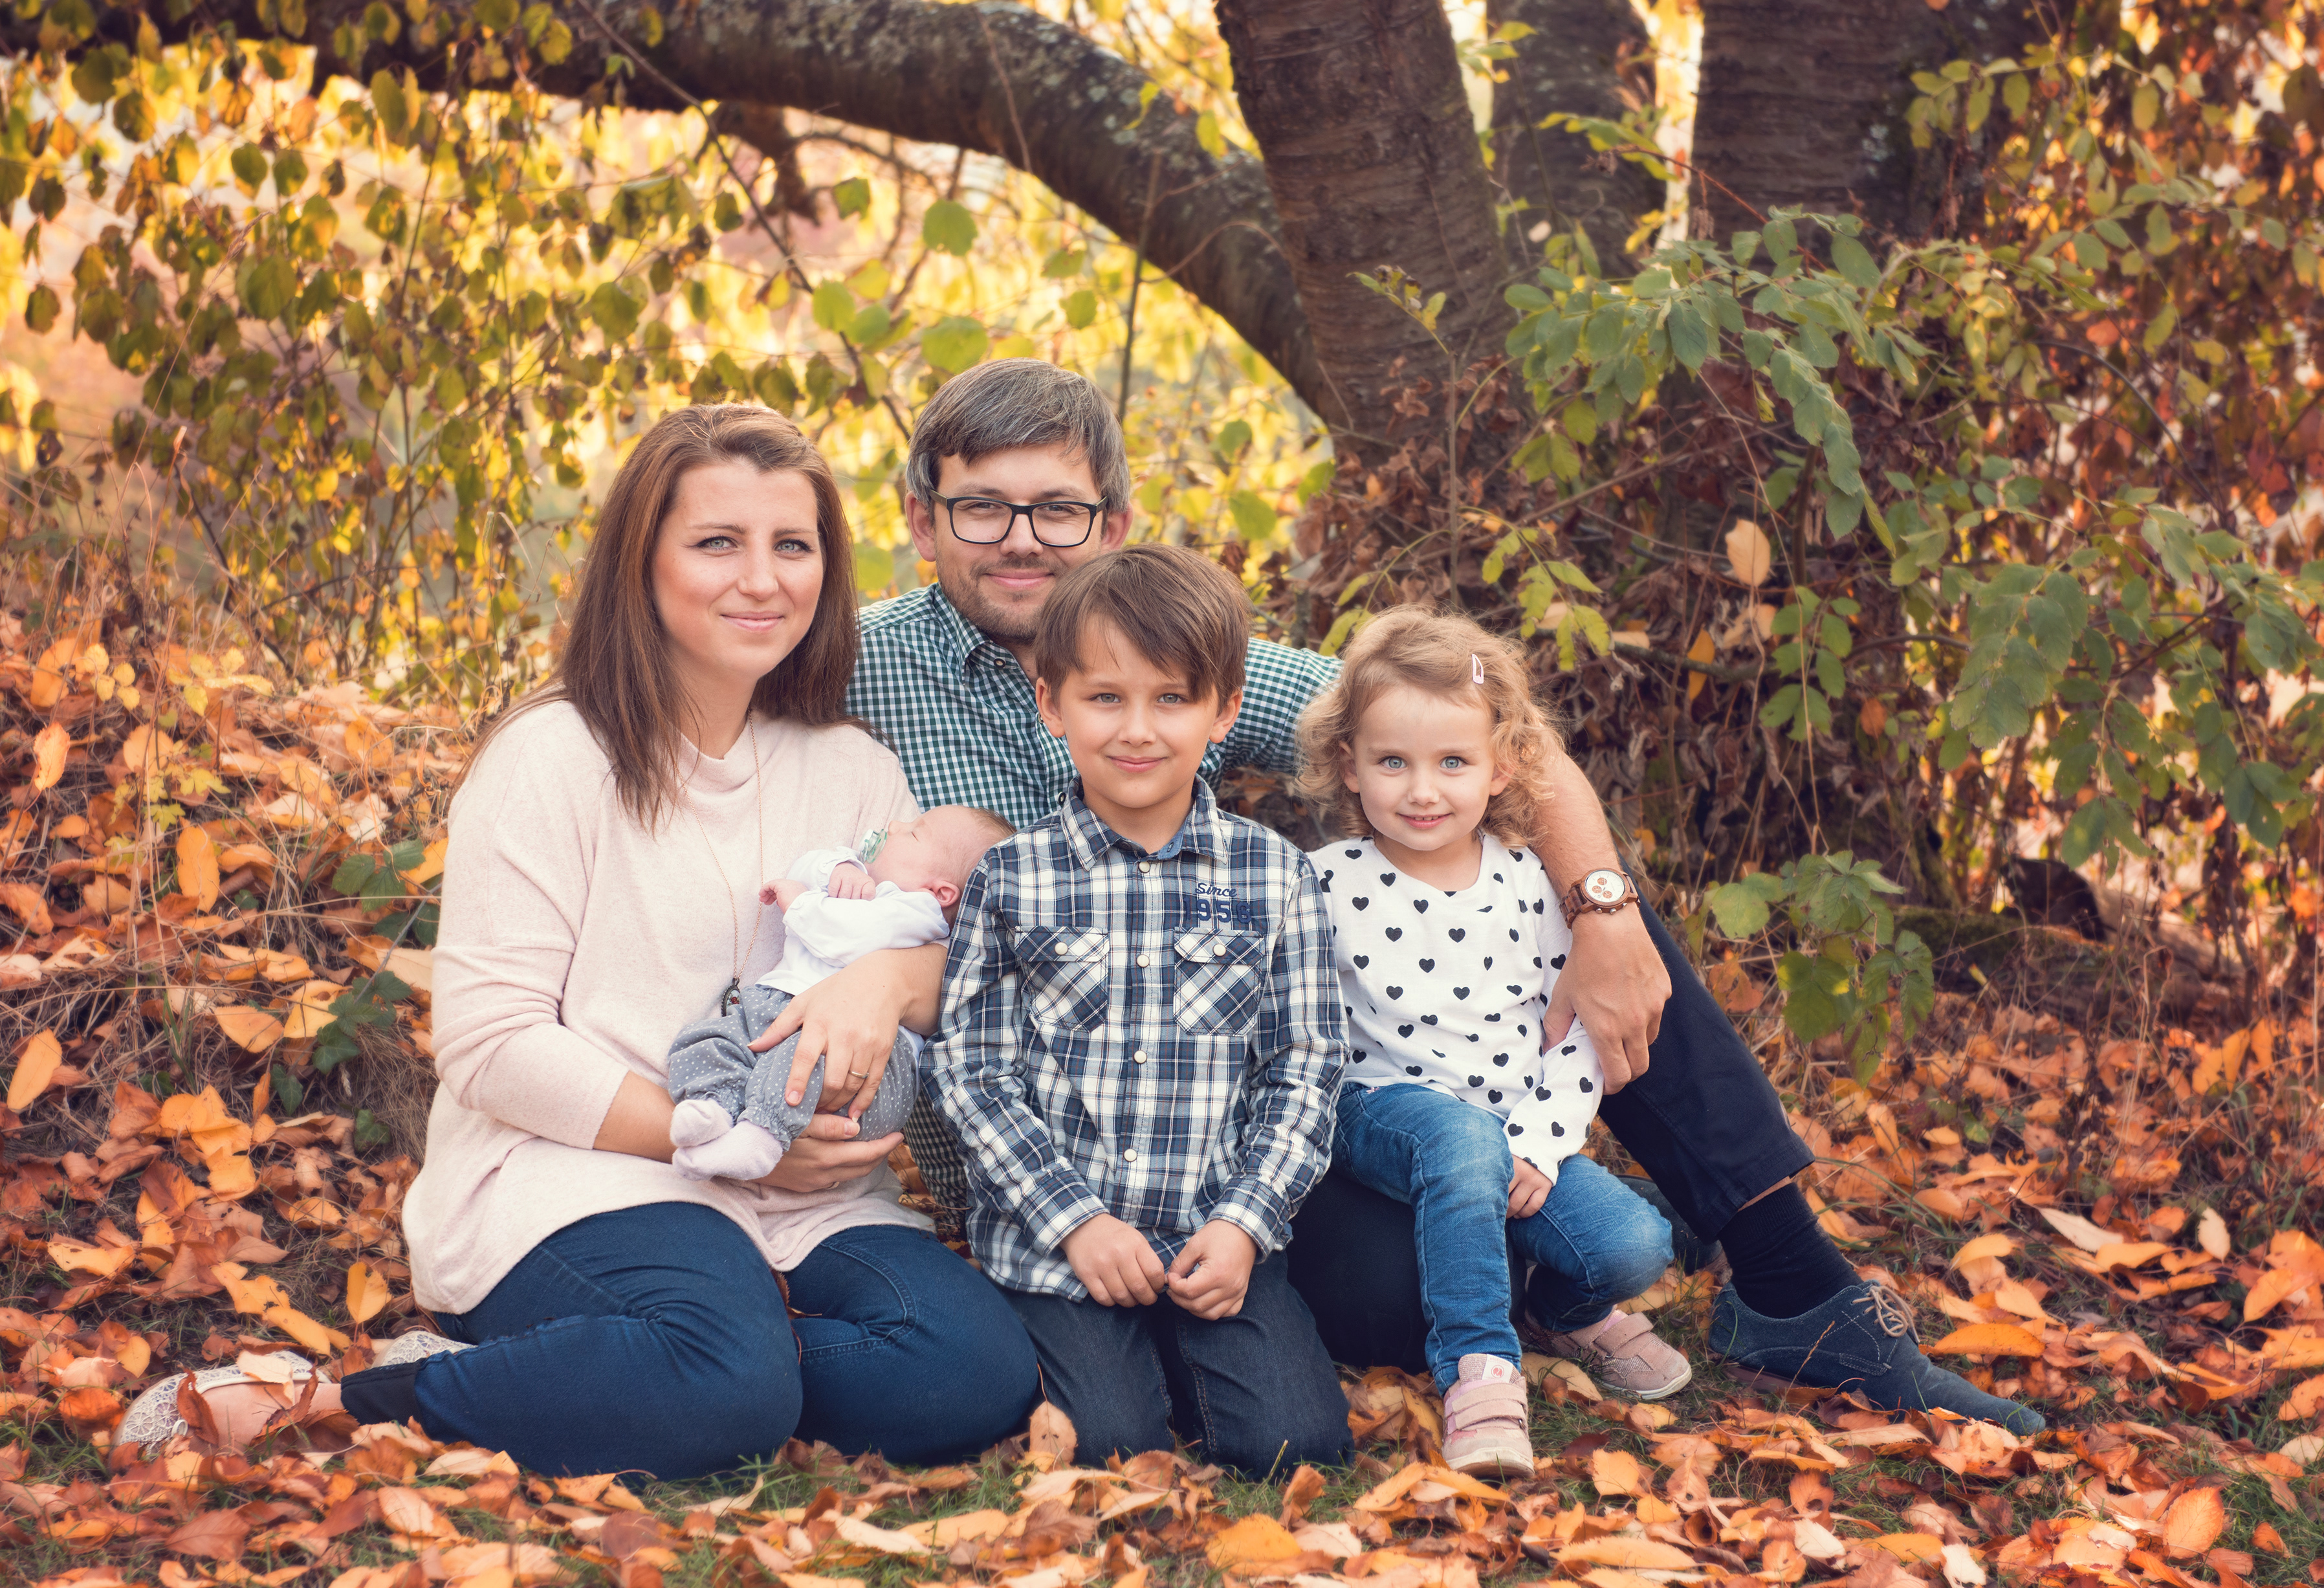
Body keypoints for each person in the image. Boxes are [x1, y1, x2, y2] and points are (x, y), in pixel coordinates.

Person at [851, 357, 2044, 1435]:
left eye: (1057, 508)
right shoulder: (853, 668)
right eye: (981, 508)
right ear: (921, 520)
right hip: (1063, 1150)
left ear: (1113, 521)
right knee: (1391, 1296)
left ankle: (1793, 1287)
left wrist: (1607, 905)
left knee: (1584, 916)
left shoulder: (1181, 651)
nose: (1022, 540)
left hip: (1251, 1127)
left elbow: (1472, 732)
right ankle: (1548, 1268)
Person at [119, 404, 1039, 1476]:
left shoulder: (854, 769)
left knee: (969, 1375)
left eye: (793, 546)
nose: (763, 578)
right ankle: (353, 1400)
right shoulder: (551, 756)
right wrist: (716, 1136)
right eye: (717, 543)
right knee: (729, 1379)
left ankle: (625, 1363)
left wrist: (890, 982)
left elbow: (926, 957)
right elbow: (494, 1044)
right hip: (582, 1167)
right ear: (641, 561)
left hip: (802, 1192)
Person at [930, 543, 1351, 1474]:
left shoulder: (1273, 876)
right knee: (1115, 1445)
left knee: (1293, 1445)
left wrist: (1245, 1221)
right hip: (1062, 1241)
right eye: (1105, 697)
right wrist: (1075, 1220)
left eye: (1171, 698)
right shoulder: (1013, 877)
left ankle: (1200, 1352)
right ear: (1053, 704)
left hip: (1216, 1232)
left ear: (1224, 711)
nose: (1138, 729)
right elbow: (973, 1070)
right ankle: (1116, 1365)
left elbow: (1307, 1064)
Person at [1297, 608, 1688, 1477]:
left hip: (1512, 1122)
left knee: (1634, 1243)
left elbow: (1577, 1031)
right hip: (1382, 1109)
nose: (1422, 789)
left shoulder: (1529, 881)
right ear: (1348, 766)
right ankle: (1480, 1369)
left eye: (1452, 763)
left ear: (1501, 765)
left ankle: (1558, 1308)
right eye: (1392, 761)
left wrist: (1544, 1146)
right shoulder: (1322, 884)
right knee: (1456, 1138)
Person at [669, 804, 1013, 1182]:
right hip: (778, 1006)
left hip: (861, 1054)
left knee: (801, 1060)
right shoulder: (868, 882)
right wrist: (837, 870)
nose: (895, 825)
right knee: (710, 1039)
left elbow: (843, 936)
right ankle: (714, 1108)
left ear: (941, 892)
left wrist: (800, 903)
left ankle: (761, 1136)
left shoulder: (918, 913)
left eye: (914, 832)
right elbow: (804, 867)